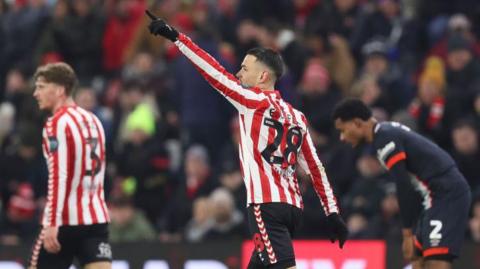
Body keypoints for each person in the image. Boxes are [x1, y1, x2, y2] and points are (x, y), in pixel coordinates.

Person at [146, 11, 348, 269]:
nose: (238, 74)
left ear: (263, 76)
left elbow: (215, 73)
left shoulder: (252, 102)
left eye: (244, 68)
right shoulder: (297, 117)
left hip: (266, 206)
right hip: (292, 209)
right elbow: (315, 168)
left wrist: (176, 38)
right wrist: (332, 213)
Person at [332, 98, 471, 269]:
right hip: (433, 198)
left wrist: (407, 233)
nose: (342, 137)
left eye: (343, 130)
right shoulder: (385, 133)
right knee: (418, 260)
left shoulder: (384, 138)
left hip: (446, 194)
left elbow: (403, 185)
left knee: (436, 260)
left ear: (357, 123)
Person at [29, 62, 112, 269]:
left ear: (59, 90)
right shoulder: (94, 120)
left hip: (64, 222)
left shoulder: (56, 123)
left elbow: (59, 174)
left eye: (40, 87)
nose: (35, 93)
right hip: (96, 220)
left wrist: (52, 222)